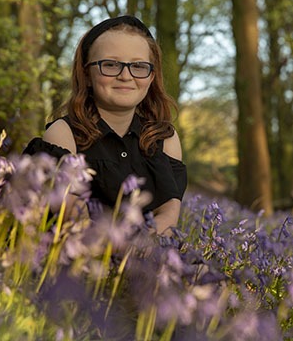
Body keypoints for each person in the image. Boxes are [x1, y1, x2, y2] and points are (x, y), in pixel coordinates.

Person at [24, 15, 186, 236]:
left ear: (151, 77)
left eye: (138, 66)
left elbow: (168, 216)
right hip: (82, 258)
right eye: (110, 65)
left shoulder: (164, 139)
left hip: (151, 257)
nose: (125, 76)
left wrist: (141, 256)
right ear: (87, 74)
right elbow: (72, 218)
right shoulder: (64, 134)